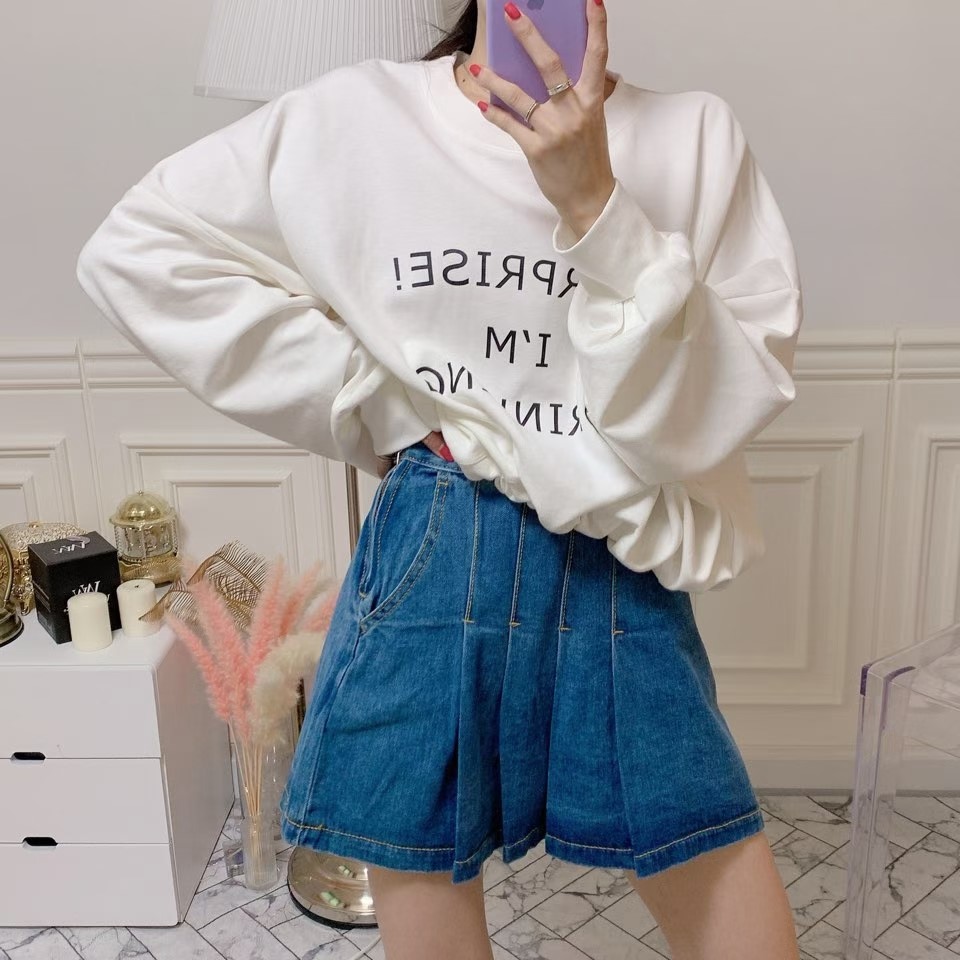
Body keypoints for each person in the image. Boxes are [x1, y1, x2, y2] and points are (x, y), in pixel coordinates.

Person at [76, 1, 803, 957]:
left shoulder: (696, 137)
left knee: (714, 864)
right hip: (437, 538)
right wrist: (376, 399)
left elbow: (728, 396)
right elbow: (136, 250)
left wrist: (596, 206)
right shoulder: (360, 116)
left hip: (620, 563)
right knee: (420, 870)